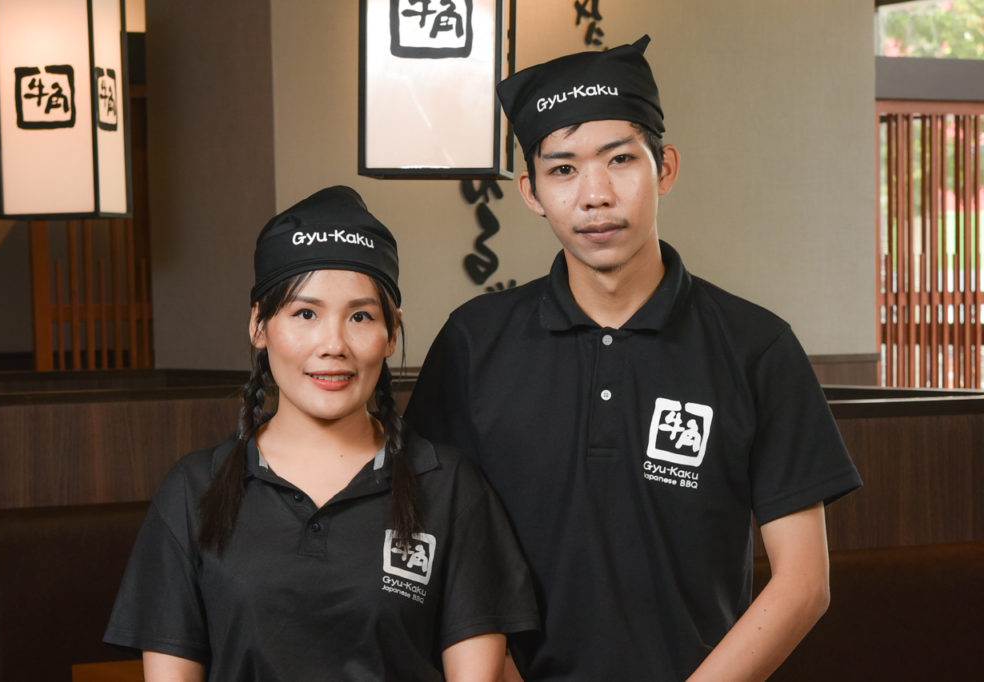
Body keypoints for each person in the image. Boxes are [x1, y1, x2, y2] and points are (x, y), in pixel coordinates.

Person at [404, 36, 862, 681]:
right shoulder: (474, 342)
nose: (595, 195)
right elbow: (433, 547)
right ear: (531, 191)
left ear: (664, 168)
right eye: (563, 170)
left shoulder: (755, 346)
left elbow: (804, 582)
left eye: (620, 160)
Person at [104, 186, 539, 681]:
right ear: (259, 326)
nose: (333, 344)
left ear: (392, 333)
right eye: (305, 314)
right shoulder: (193, 489)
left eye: (360, 316)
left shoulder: (448, 486)